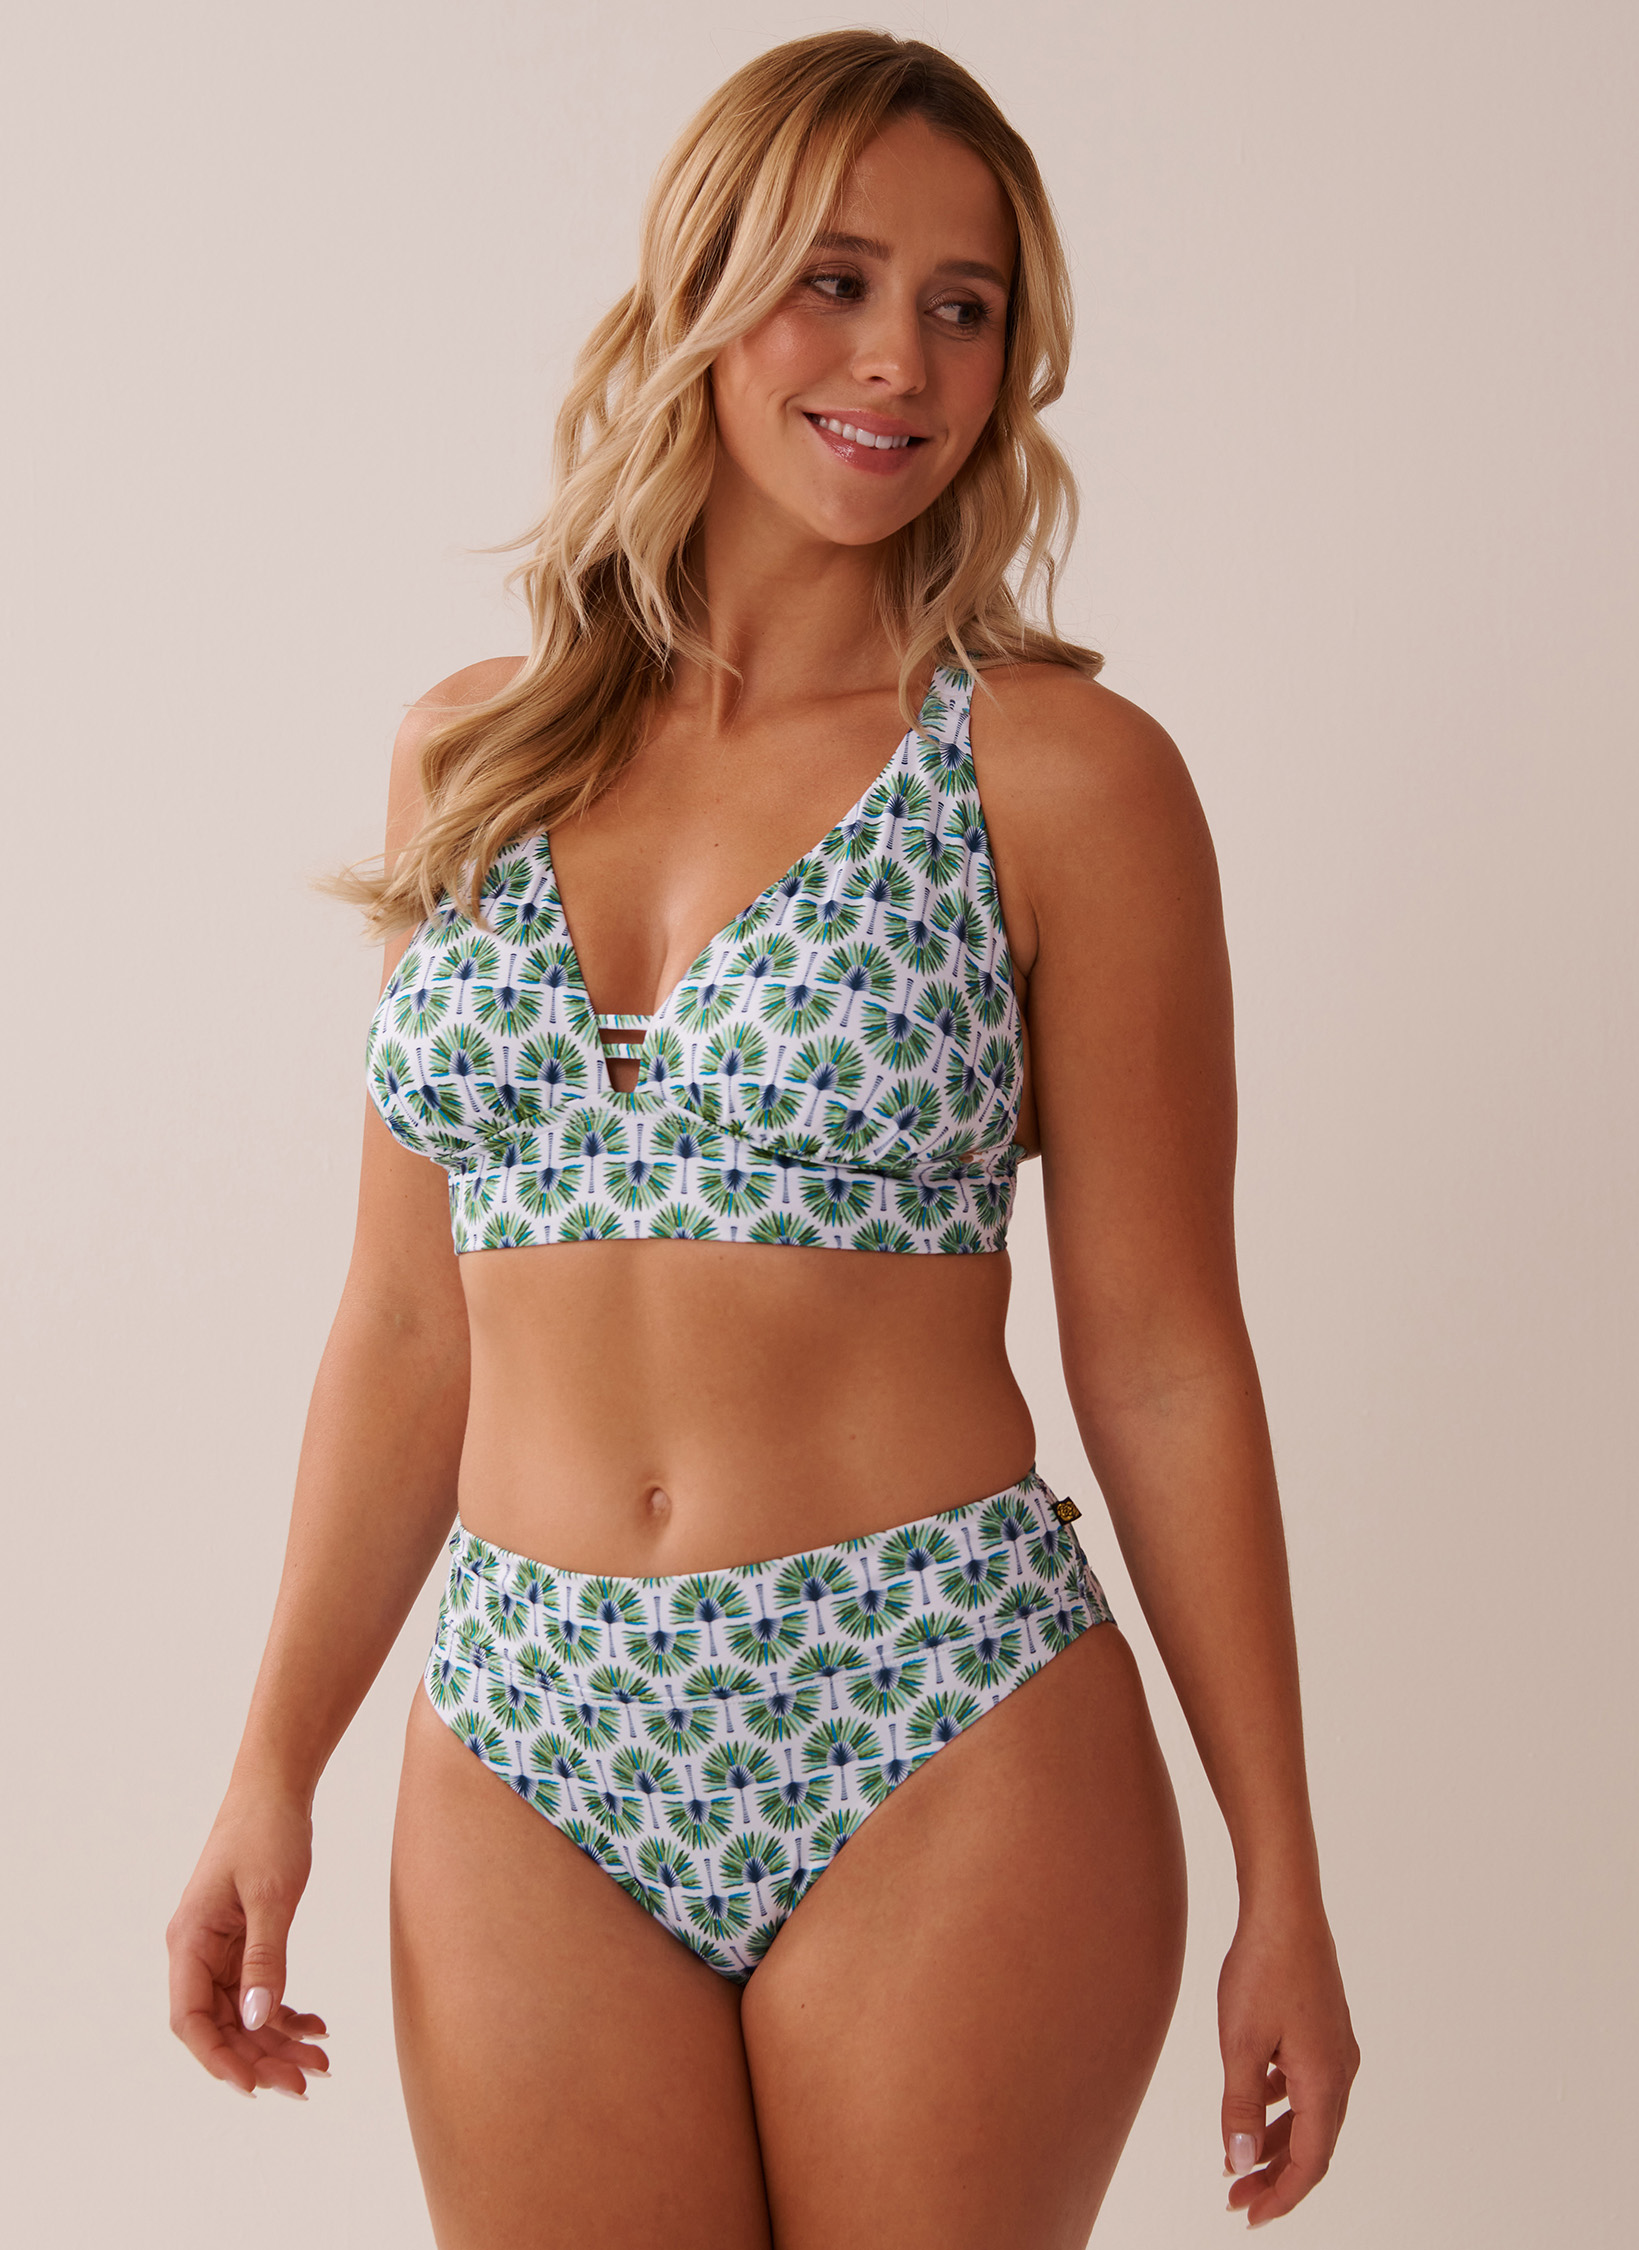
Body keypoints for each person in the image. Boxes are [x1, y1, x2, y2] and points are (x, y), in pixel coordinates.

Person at [166, 30, 1357, 2246]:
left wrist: (1281, 1868)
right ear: (702, 291)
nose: (900, 358)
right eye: (835, 279)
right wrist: (271, 1762)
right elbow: (406, 1327)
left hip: (936, 1710)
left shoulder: (1062, 778)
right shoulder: (472, 759)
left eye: (964, 305)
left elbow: (1167, 1352)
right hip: (524, 1732)